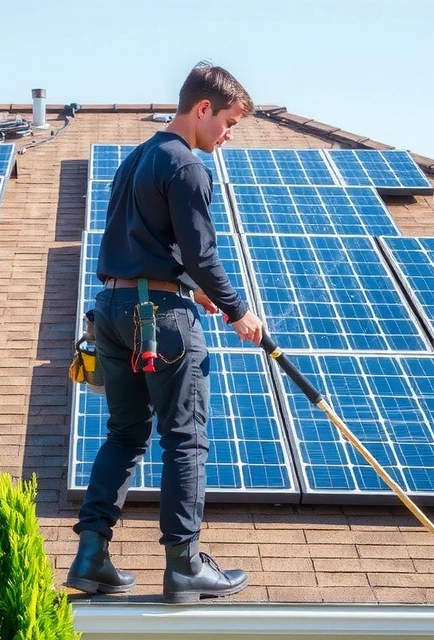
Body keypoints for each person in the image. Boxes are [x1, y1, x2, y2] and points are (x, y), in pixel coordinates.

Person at [65, 62, 264, 604]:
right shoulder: (188, 167)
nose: (227, 137)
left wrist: (189, 289)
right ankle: (185, 565)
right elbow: (202, 254)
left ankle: (90, 557)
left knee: (125, 434)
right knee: (185, 437)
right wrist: (237, 310)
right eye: (228, 123)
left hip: (110, 308)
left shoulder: (134, 162)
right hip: (160, 322)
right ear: (203, 109)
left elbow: (149, 250)